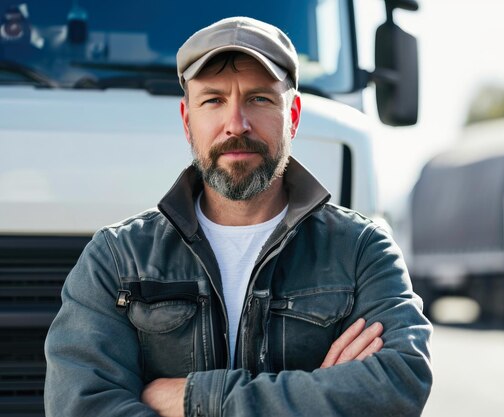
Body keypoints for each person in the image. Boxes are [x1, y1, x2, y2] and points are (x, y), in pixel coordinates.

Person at [44, 16, 433, 417]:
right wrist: (319, 393)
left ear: (293, 116)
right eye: (213, 100)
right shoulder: (116, 259)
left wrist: (192, 399)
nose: (236, 124)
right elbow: (81, 405)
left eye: (259, 99)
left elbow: (399, 383)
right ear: (187, 120)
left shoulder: (361, 250)